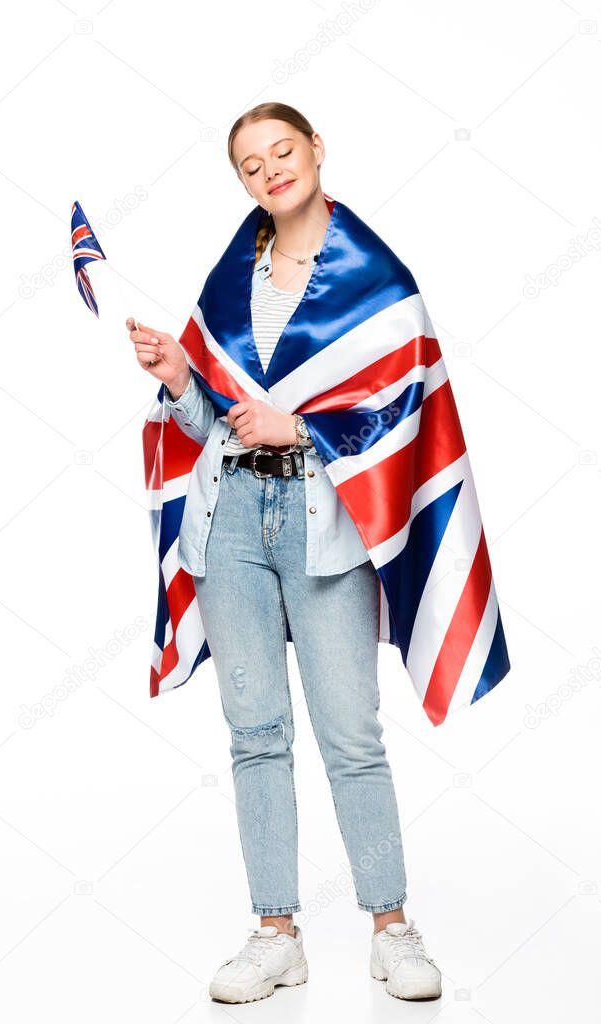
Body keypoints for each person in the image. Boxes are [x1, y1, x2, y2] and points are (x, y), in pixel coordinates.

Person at [128, 102, 442, 1005]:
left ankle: (391, 927)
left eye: (282, 151)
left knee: (351, 735)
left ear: (314, 152)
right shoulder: (234, 275)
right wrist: (181, 379)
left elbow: (402, 412)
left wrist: (298, 426)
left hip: (324, 523)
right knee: (255, 734)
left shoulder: (376, 277)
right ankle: (276, 933)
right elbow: (208, 425)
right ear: (242, 181)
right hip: (228, 521)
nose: (269, 171)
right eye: (250, 163)